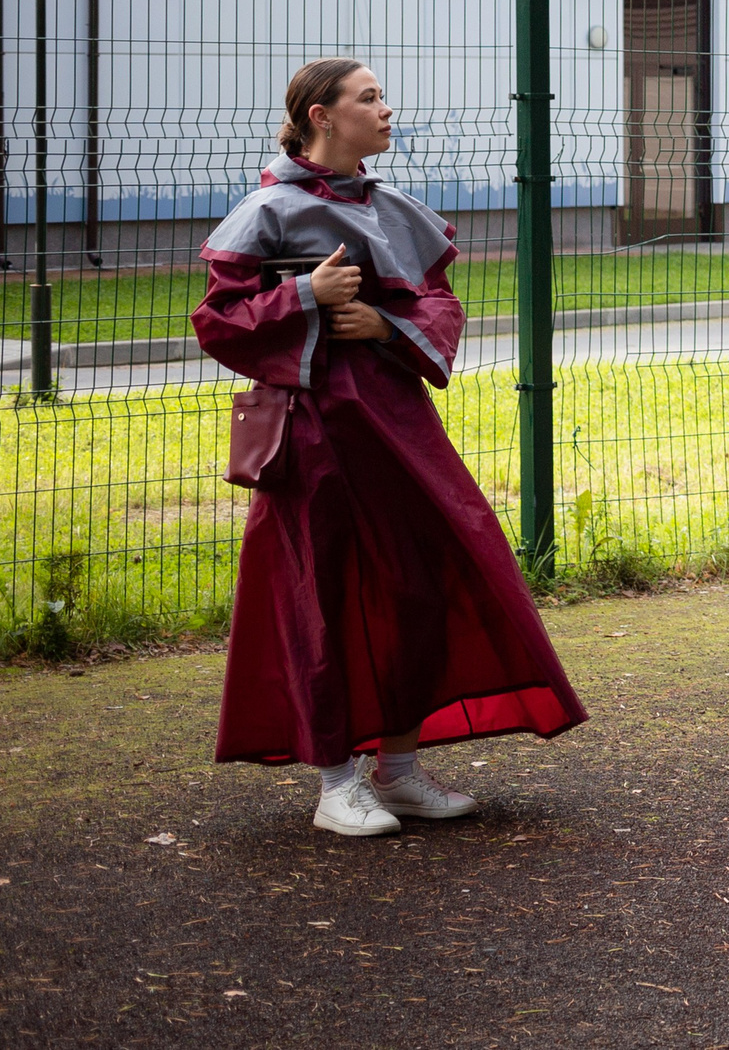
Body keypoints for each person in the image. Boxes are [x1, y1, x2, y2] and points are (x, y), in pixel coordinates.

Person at [194, 59, 588, 838]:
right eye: (367, 97)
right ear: (320, 115)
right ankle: (337, 784)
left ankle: (399, 770)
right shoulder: (268, 209)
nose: (385, 108)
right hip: (312, 433)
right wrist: (306, 294)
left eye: (381, 95)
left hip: (397, 427)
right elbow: (219, 320)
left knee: (423, 580)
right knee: (322, 595)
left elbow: (439, 300)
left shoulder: (391, 206)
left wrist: (386, 325)